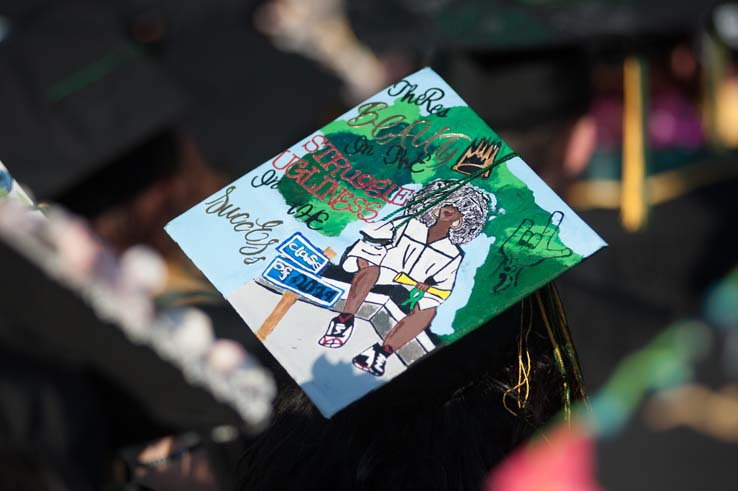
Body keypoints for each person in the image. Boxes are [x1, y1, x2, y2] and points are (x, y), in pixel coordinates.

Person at [318, 179, 492, 376]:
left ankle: (381, 353)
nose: (450, 208)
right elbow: (368, 244)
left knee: (428, 311)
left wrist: (424, 295)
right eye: (448, 202)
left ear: (464, 219)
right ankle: (343, 321)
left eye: (458, 208)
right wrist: (363, 264)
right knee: (371, 271)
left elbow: (442, 290)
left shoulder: (452, 254)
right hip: (382, 274)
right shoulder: (407, 224)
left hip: (409, 291)